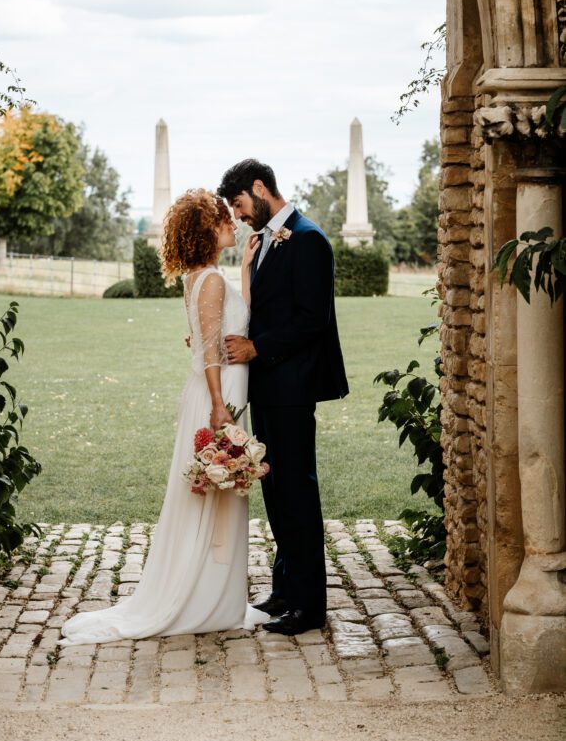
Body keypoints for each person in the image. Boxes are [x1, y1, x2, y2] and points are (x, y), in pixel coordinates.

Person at [58, 189, 269, 646]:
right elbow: (211, 351)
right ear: (209, 229)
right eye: (225, 220)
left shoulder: (203, 277)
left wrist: (248, 270)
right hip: (217, 398)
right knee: (215, 495)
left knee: (219, 495)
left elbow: (225, 327)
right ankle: (202, 598)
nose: (234, 224)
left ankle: (217, 596)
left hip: (219, 392)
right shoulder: (209, 280)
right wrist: (218, 406)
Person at [217, 159, 349, 636]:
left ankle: (309, 606)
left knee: (297, 492)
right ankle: (285, 589)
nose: (239, 215)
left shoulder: (308, 238)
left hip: (292, 389)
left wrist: (259, 348)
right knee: (274, 490)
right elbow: (263, 312)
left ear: (259, 188)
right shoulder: (268, 240)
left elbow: (312, 319)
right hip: (267, 390)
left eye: (239, 204)